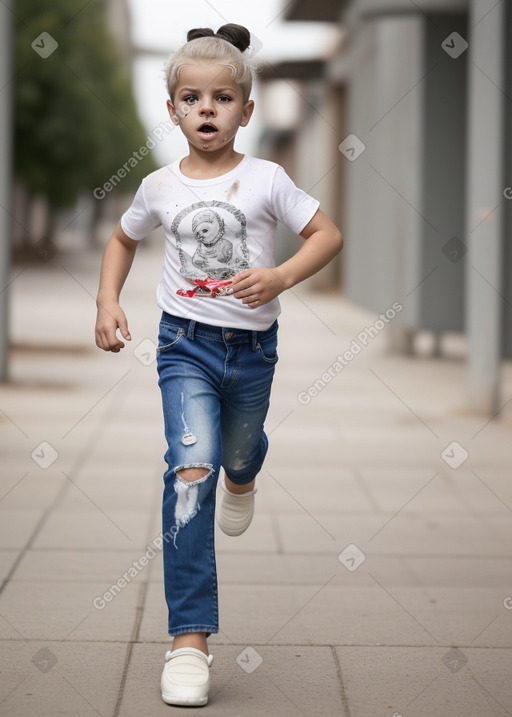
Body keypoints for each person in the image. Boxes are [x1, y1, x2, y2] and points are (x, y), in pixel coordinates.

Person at [94, 23, 343, 708]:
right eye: (193, 97)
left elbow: (327, 234)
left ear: (247, 111)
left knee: (236, 452)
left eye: (224, 97)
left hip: (252, 352)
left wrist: (281, 275)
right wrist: (107, 299)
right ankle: (189, 639)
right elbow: (122, 237)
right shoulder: (159, 186)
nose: (208, 108)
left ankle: (247, 470)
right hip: (184, 348)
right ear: (172, 109)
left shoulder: (267, 178)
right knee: (190, 469)